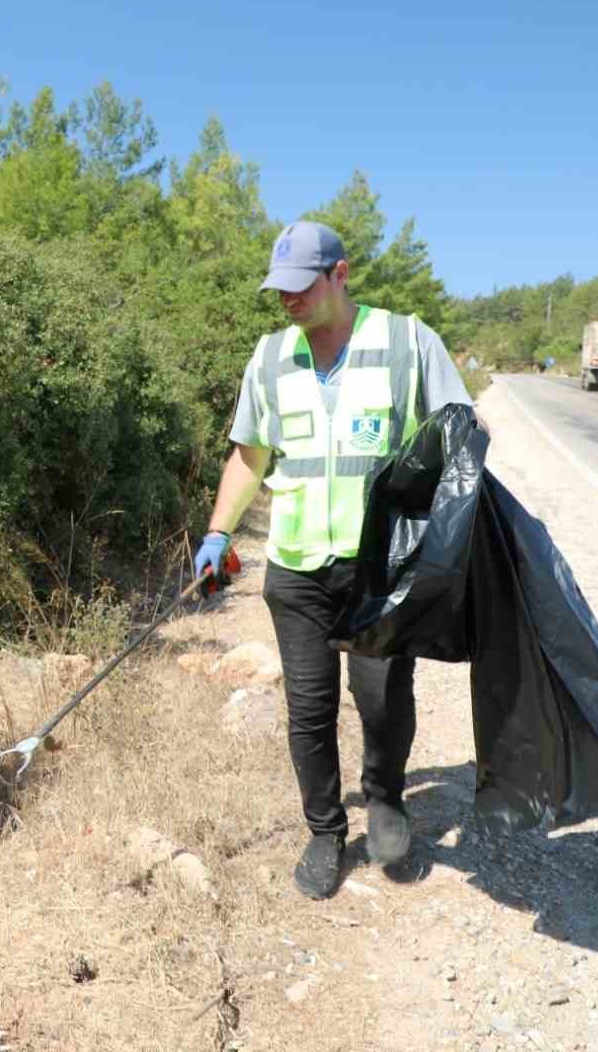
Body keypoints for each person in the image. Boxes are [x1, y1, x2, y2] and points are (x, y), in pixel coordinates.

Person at [192, 221, 476, 901]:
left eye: (301, 286)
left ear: (340, 275)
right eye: (279, 288)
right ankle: (324, 832)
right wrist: (217, 532)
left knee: (379, 698)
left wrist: (456, 534)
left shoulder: (407, 342)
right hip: (296, 565)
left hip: (380, 567)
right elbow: (250, 455)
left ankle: (385, 799)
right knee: (308, 709)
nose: (287, 299)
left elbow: (462, 432)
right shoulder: (269, 358)